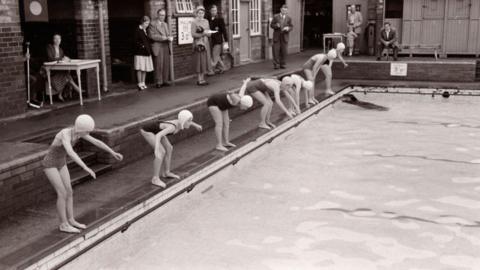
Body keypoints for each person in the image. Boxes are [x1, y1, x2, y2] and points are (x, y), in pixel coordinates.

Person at [43, 114, 123, 233]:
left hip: (61, 162)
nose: (88, 134)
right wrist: (86, 167)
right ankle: (63, 225)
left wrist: (112, 152)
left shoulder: (79, 133)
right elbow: (70, 152)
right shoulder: (65, 134)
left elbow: (97, 142)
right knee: (62, 193)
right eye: (87, 131)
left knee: (69, 191)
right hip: (50, 164)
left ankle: (71, 220)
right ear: (81, 129)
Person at [140, 110, 203, 187]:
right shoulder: (173, 127)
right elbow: (158, 136)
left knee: (169, 148)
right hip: (147, 131)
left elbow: (188, 120)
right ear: (183, 121)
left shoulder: (180, 123)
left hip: (157, 130)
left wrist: (196, 125)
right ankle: (155, 178)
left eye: (190, 121)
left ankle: (166, 172)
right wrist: (156, 149)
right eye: (189, 121)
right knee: (161, 152)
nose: (190, 123)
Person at [46, 34, 82, 102]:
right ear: (53, 40)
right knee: (67, 75)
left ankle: (63, 94)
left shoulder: (61, 50)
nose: (57, 40)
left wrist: (65, 59)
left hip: (59, 71)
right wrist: (62, 59)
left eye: (59, 39)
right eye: (55, 39)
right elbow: (50, 58)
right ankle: (78, 90)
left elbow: (61, 60)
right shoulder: (49, 47)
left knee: (66, 75)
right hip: (51, 71)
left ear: (61, 40)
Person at [148, 9, 173, 88]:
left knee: (166, 64)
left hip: (165, 45)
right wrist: (163, 38)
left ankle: (165, 80)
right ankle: (159, 82)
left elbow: (168, 34)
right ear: (158, 15)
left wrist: (170, 37)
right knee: (159, 64)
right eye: (161, 15)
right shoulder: (152, 24)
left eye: (164, 15)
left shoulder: (165, 24)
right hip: (158, 46)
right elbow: (152, 36)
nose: (163, 17)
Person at [191, 6, 214, 86]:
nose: (201, 14)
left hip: (206, 43)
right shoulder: (194, 22)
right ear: (197, 13)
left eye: (202, 13)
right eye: (199, 13)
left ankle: (203, 79)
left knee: (204, 61)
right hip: (198, 43)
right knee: (199, 61)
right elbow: (193, 34)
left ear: (204, 13)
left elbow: (209, 32)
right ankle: (199, 80)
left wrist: (208, 34)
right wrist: (202, 34)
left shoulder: (206, 21)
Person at [134, 16, 154, 91]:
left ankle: (143, 82)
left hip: (146, 52)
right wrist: (142, 46)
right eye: (146, 23)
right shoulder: (138, 30)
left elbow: (147, 40)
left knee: (144, 68)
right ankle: (139, 83)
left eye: (148, 23)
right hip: (140, 53)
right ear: (142, 22)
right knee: (140, 68)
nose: (147, 25)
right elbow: (135, 41)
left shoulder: (145, 30)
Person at [270, 4, 293, 69]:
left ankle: (283, 64)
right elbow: (271, 25)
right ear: (281, 9)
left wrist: (288, 28)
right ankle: (276, 65)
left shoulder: (289, 18)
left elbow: (291, 26)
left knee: (284, 51)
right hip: (277, 37)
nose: (284, 12)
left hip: (285, 36)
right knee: (276, 51)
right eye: (283, 10)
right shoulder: (276, 16)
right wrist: (276, 26)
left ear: (287, 11)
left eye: (286, 11)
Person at [207, 5, 229, 74]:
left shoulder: (220, 19)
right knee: (216, 56)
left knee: (214, 56)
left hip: (218, 40)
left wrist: (226, 41)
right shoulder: (208, 19)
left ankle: (211, 71)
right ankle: (222, 68)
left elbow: (224, 31)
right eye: (213, 10)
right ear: (210, 11)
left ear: (217, 11)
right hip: (211, 40)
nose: (214, 12)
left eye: (215, 10)